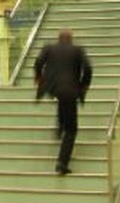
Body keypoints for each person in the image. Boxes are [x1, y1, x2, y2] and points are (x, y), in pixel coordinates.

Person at [33, 29, 92, 176]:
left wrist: (39, 77)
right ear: (71, 39)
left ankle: (59, 128)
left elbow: (38, 62)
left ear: (59, 39)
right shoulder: (77, 50)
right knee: (71, 130)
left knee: (62, 102)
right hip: (71, 90)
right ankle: (62, 162)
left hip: (55, 88)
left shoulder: (49, 48)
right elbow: (88, 68)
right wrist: (83, 85)